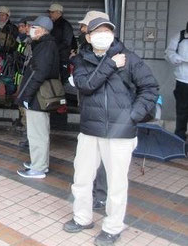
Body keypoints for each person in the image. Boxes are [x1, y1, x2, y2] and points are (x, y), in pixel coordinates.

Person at [63, 17, 158, 246]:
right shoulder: (82, 61)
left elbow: (150, 89)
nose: (103, 35)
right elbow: (86, 86)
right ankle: (82, 218)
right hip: (90, 130)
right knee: (82, 179)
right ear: (88, 37)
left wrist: (131, 117)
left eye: (107, 31)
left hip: (120, 133)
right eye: (98, 32)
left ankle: (113, 227)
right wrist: (110, 64)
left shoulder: (130, 58)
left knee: (116, 183)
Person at [73, 11, 111, 211]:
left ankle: (102, 195)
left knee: (105, 156)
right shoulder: (85, 52)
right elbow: (83, 82)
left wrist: (134, 114)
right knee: (88, 158)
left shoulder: (117, 55)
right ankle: (90, 194)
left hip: (107, 115)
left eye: (85, 25)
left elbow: (146, 88)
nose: (81, 29)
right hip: (89, 111)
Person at [16, 16, 59, 179]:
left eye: (34, 27)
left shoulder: (46, 46)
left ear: (43, 30)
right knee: (39, 131)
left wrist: (27, 95)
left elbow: (39, 73)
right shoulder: (43, 45)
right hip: (38, 94)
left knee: (37, 133)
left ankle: (38, 167)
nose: (31, 29)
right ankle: (40, 162)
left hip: (38, 95)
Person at [165, 21, 188, 141]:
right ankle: (180, 139)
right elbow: (169, 52)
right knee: (182, 111)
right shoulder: (180, 36)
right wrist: (175, 58)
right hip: (182, 80)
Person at [48, 3, 75, 82]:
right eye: (50, 12)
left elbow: (67, 42)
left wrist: (55, 49)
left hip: (63, 57)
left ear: (59, 12)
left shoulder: (65, 25)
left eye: (52, 12)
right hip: (55, 56)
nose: (50, 14)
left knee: (64, 78)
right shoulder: (53, 24)